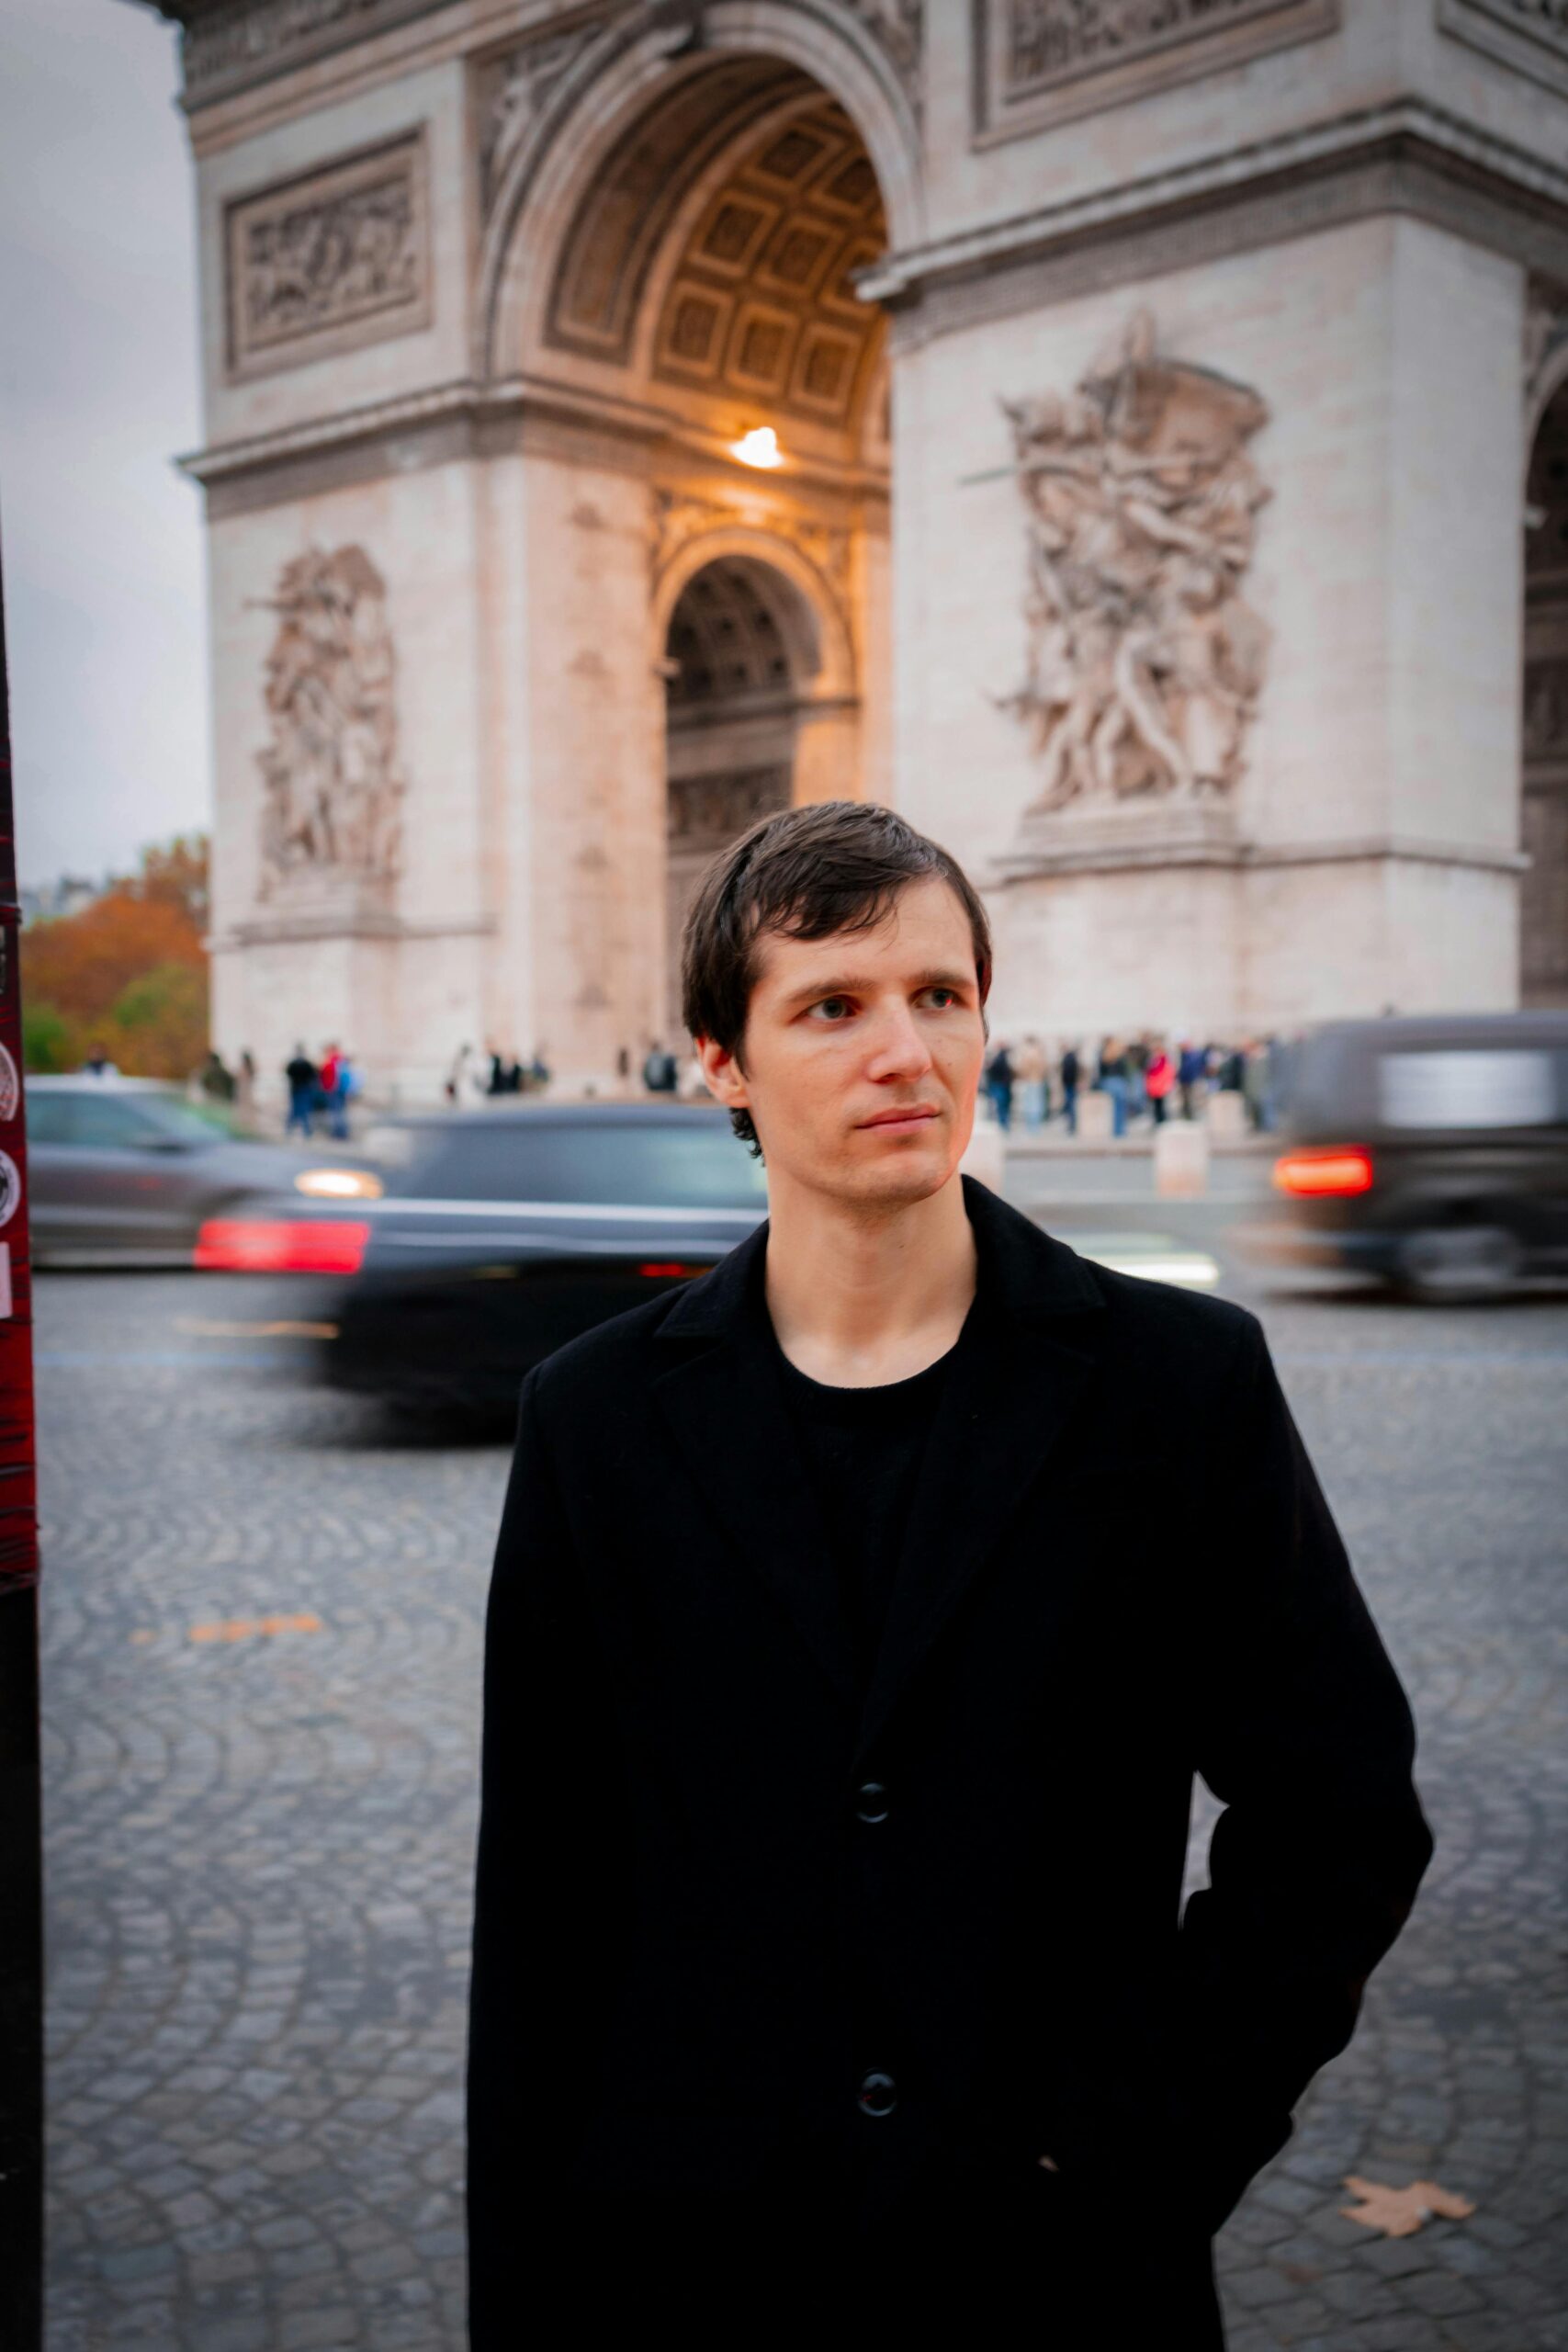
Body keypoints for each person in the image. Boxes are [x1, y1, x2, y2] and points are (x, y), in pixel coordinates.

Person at [468, 801, 1432, 2346]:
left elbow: (1340, 1818)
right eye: (830, 1008)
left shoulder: (1178, 1388)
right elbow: (548, 1914)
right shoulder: (587, 1421)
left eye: (939, 995)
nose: (902, 1053)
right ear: (721, 1059)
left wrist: (1148, 2143)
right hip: (697, 2276)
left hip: (1063, 2275)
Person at [1097, 1035, 1131, 1137]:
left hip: (1108, 1082)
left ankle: (1115, 1130)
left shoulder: (1105, 1055)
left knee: (1113, 1108)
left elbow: (1101, 1071)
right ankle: (1120, 1130)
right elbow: (1125, 1070)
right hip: (1119, 1082)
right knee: (1121, 1108)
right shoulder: (1120, 1055)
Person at [1014, 1034, 1048, 1130]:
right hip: (1038, 1080)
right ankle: (1035, 1126)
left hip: (1030, 1081)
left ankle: (1032, 1126)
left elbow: (1023, 1068)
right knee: (1037, 1103)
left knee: (1031, 1104)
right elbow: (1044, 1068)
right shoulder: (1039, 1052)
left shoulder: (1029, 1053)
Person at [284, 1044, 318, 1137]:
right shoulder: (303, 1064)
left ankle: (296, 1130)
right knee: (300, 1111)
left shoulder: (296, 1064)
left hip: (300, 1089)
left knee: (299, 1111)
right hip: (301, 1089)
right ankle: (301, 1130)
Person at [983, 1038, 1014, 1130]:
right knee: (1001, 1105)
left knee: (1001, 1105)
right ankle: (1003, 1124)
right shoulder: (1002, 1057)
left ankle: (1003, 1124)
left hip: (999, 1084)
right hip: (1001, 1084)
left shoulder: (1000, 1057)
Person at [1145, 1039, 1174, 1125]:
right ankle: (1158, 1120)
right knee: (1156, 1105)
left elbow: (1167, 1072)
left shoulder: (1163, 1060)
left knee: (1162, 1105)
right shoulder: (1154, 1060)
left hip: (1161, 1085)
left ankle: (1162, 1121)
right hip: (1155, 1086)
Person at [1178, 1038, 1206, 1122]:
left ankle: (1191, 1114)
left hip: (1191, 1079)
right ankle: (1187, 1113)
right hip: (1185, 1080)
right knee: (1186, 1098)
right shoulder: (1184, 1055)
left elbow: (1192, 1068)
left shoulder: (1193, 1055)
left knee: (1191, 1098)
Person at [1058, 1039, 1080, 1134]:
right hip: (1070, 1084)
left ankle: (1072, 1126)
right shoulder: (1072, 1057)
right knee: (1071, 1105)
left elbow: (1069, 1073)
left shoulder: (1069, 1058)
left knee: (1071, 1105)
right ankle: (1072, 1125)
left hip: (1070, 1084)